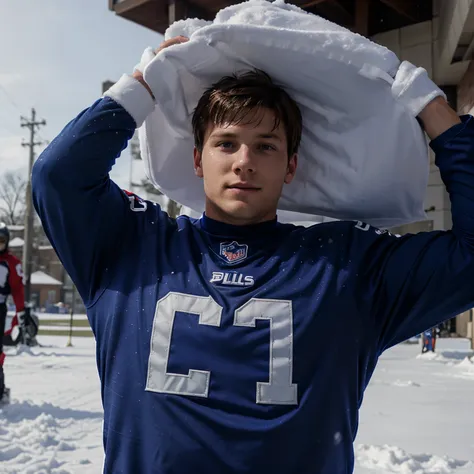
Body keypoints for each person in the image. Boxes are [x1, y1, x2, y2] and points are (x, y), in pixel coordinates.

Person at [32, 36, 474, 474]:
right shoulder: (135, 247)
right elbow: (58, 175)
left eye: (266, 146)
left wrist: (431, 106)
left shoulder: (345, 264)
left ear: (291, 167)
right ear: (197, 159)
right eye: (226, 143)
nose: (244, 161)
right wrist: (142, 85)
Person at [0, 222, 27, 404]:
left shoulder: (11, 263)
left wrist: (21, 311)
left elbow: (17, 289)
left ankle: (0, 390)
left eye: (1, 240)